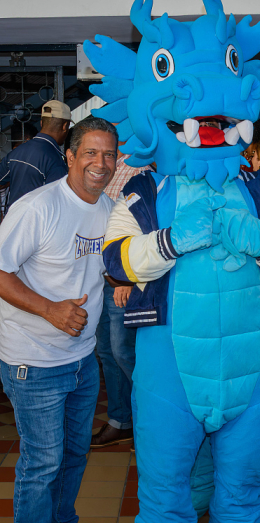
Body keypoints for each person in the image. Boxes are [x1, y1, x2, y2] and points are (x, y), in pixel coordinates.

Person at [0, 116, 118, 523]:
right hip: (33, 360)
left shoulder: (107, 207)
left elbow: (102, 266)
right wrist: (50, 309)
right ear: (69, 156)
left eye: (109, 154)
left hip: (81, 358)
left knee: (73, 455)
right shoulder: (38, 207)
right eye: (90, 152)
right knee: (42, 462)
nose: (100, 163)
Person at [90, 150, 153, 448]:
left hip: (122, 279)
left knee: (123, 351)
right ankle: (121, 420)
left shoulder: (140, 165)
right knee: (107, 350)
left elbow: (145, 225)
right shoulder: (107, 164)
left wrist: (126, 278)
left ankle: (152, 417)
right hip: (101, 275)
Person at [0, 100, 71, 209]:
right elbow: (58, 202)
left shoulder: (16, 152)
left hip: (13, 217)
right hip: (37, 218)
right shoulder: (55, 161)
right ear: (65, 126)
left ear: (41, 123)